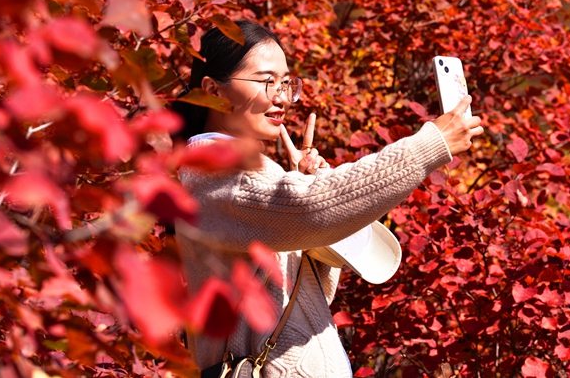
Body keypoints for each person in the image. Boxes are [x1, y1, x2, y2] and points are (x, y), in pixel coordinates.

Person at [171, 20, 483, 378]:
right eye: (266, 81)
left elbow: (308, 290)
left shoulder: (250, 173)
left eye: (287, 82)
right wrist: (430, 144)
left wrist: (304, 183)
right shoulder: (213, 171)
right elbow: (312, 212)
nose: (283, 96)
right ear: (213, 90)